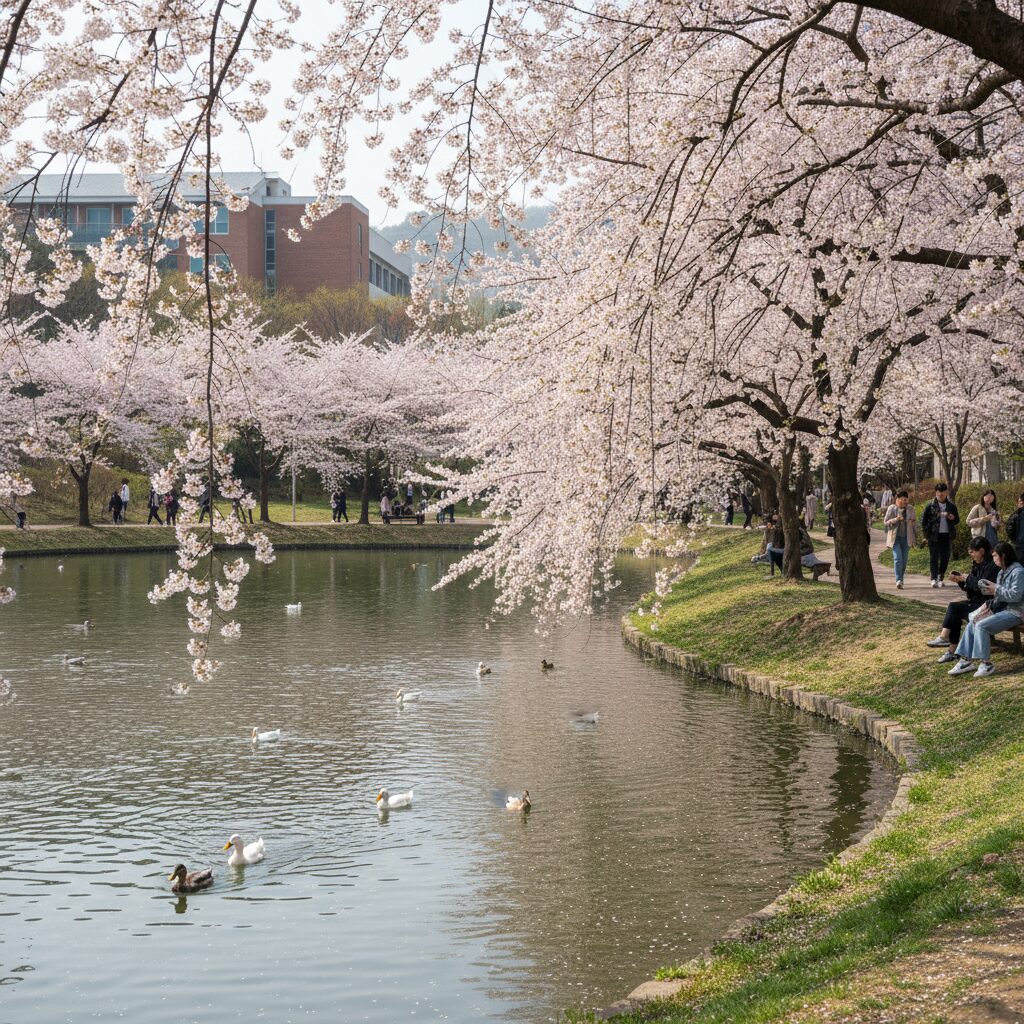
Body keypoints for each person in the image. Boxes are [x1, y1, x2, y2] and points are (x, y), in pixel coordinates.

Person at [948, 541, 1024, 678]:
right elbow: (1000, 595)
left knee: (982, 626)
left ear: (1004, 556)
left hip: (1016, 612)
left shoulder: (1018, 572)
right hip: (1002, 609)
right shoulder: (1002, 572)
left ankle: (986, 664)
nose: (993, 559)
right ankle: (965, 660)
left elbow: (1016, 596)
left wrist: (996, 589)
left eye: (995, 556)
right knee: (973, 622)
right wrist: (989, 600)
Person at [925, 536, 999, 664]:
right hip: (976, 602)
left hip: (986, 605)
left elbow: (983, 587)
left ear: (981, 550)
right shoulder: (977, 564)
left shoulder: (991, 566)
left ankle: (947, 643)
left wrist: (966, 579)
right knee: (954, 609)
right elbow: (971, 588)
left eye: (973, 552)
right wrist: (961, 582)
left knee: (955, 609)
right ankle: (951, 650)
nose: (971, 555)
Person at [920, 483, 960, 588]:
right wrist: (926, 535)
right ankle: (933, 578)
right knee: (934, 557)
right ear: (936, 493)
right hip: (933, 535)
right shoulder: (930, 506)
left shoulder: (951, 506)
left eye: (942, 492)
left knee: (945, 557)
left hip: (947, 535)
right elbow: (924, 522)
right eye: (938, 492)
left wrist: (952, 518)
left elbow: (957, 520)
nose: (940, 494)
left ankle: (940, 576)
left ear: (946, 492)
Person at [883, 490, 917, 589]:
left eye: (906, 500)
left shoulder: (911, 509)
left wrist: (916, 537)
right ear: (898, 500)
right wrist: (896, 519)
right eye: (903, 500)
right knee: (898, 559)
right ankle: (898, 580)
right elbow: (885, 522)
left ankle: (900, 579)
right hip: (895, 538)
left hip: (907, 538)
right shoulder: (892, 509)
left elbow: (914, 523)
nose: (905, 502)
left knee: (904, 560)